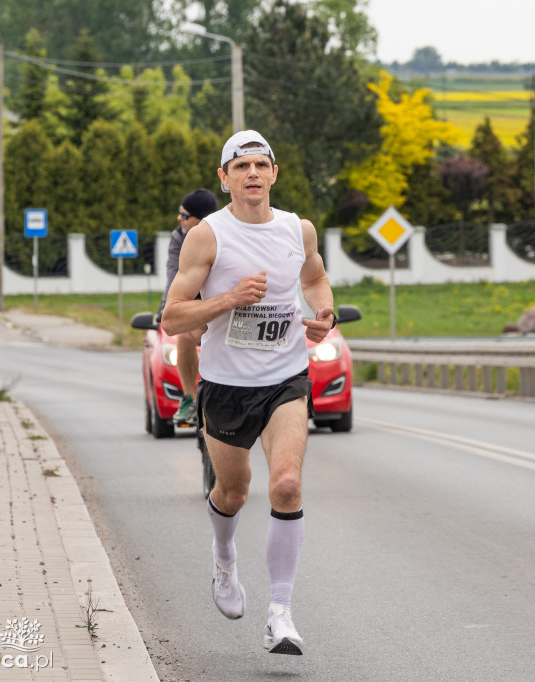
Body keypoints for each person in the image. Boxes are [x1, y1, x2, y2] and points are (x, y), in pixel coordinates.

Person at [161, 130, 335, 656]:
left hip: (285, 378)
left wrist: (323, 315)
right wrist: (230, 298)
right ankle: (223, 557)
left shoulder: (296, 228)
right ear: (225, 177)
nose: (253, 174)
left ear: (274, 173)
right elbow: (171, 317)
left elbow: (316, 278)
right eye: (242, 167)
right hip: (226, 384)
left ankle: (280, 613)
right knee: (233, 493)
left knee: (285, 484)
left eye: (262, 165)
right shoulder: (207, 236)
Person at [157, 189, 219, 426]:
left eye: (184, 215)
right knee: (183, 336)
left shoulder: (225, 234)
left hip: (229, 307)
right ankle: (189, 400)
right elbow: (174, 278)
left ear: (201, 220)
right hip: (199, 307)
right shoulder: (178, 238)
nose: (179, 218)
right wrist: (166, 310)